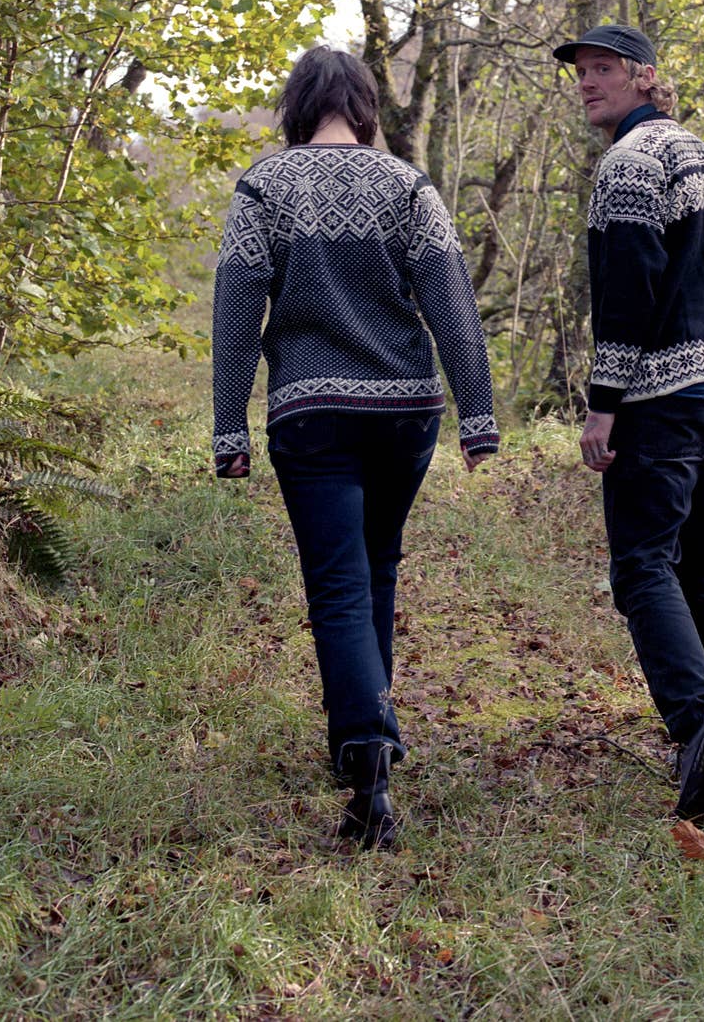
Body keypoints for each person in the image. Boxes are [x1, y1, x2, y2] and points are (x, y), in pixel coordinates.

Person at [211, 46, 498, 848]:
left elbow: (236, 317)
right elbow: (453, 306)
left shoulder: (265, 186)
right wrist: (477, 419)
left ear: (297, 106)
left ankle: (364, 756)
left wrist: (227, 427)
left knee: (338, 584)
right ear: (366, 106)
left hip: (311, 412)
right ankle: (376, 732)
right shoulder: (408, 185)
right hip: (406, 411)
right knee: (376, 568)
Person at [553, 22, 704, 824]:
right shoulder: (699, 153)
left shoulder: (628, 164)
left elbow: (628, 292)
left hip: (663, 396)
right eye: (580, 72)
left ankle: (698, 726)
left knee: (642, 568)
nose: (587, 83)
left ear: (644, 77)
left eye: (603, 69)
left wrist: (604, 402)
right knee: (697, 570)